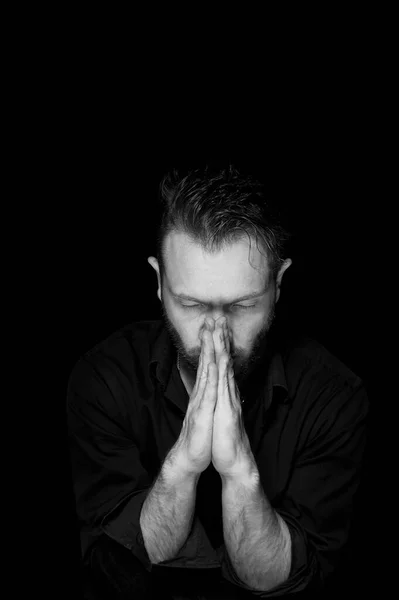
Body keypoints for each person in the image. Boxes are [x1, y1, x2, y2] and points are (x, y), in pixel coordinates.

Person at [66, 166, 369, 599]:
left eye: (242, 306)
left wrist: (241, 474)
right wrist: (184, 466)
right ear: (158, 282)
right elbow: (116, 565)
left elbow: (280, 579)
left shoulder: (333, 396)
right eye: (190, 304)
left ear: (278, 284)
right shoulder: (104, 378)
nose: (216, 334)